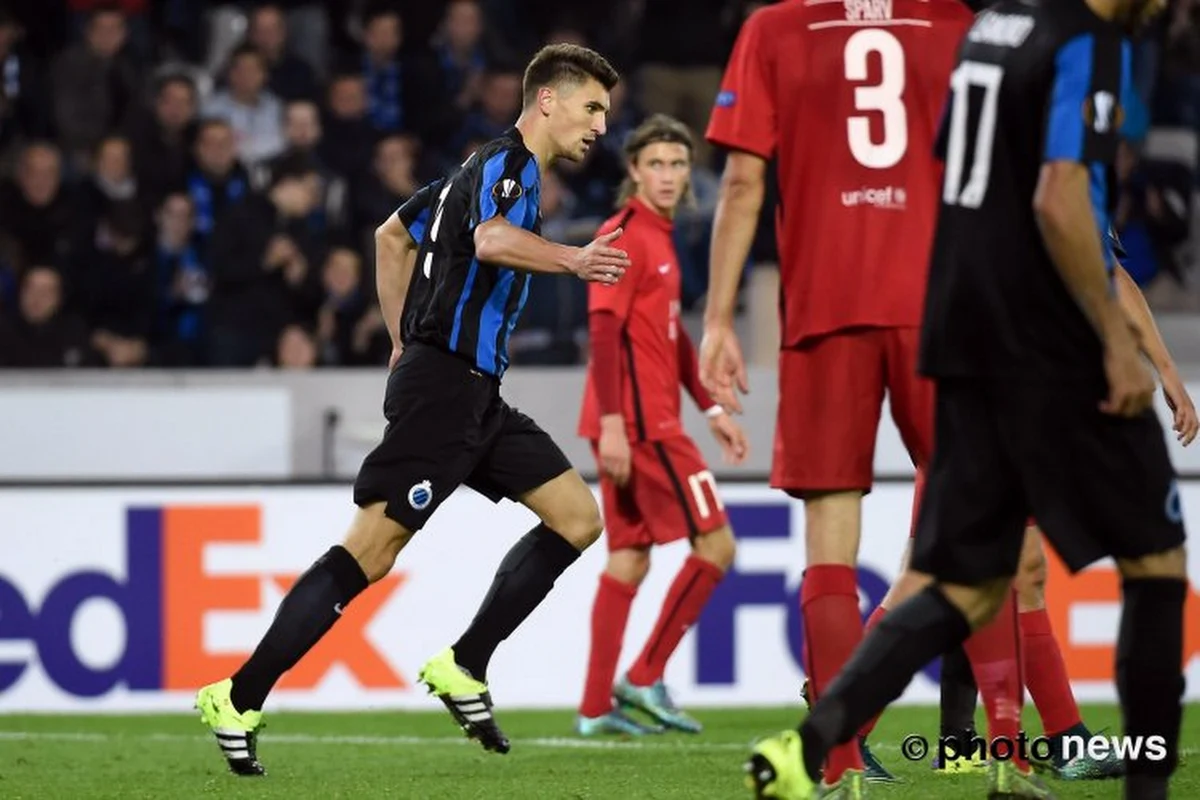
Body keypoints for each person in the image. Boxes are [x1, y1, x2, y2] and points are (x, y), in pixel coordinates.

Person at [745, 0, 1186, 797]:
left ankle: (827, 739)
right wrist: (1120, 349)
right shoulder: (1081, 45)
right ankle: (1124, 772)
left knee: (965, 573)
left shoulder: (985, 34)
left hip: (958, 329)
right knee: (1149, 564)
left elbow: (953, 171)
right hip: (1034, 344)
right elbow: (1059, 202)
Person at [193, 43, 627, 775]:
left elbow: (390, 236)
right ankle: (237, 696)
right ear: (548, 100)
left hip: (472, 391)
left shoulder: (468, 172)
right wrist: (575, 259)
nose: (599, 126)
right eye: (591, 107)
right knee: (372, 551)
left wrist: (401, 337)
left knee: (577, 517)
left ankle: (465, 662)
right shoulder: (510, 167)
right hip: (446, 389)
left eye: (605, 114)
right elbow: (490, 241)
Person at [699, 0, 976, 792]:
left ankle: (839, 762)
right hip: (939, 308)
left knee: (828, 530)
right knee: (979, 527)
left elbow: (745, 180)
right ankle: (1008, 756)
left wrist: (718, 318)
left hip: (824, 306)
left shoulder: (776, 28)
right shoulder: (953, 22)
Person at [930, 229, 1198, 781]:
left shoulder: (1026, 169)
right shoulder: (1054, 170)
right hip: (996, 391)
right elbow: (1105, 277)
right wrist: (1162, 371)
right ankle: (840, 718)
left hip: (990, 387)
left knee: (995, 570)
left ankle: (982, 739)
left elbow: (1109, 274)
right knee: (962, 572)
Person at [575, 114, 749, 737]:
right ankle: (644, 678)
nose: (670, 176)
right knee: (718, 547)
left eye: (678, 164)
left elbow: (671, 338)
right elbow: (602, 330)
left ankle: (596, 709)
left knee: (629, 559)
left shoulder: (659, 234)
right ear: (633, 171)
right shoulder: (623, 234)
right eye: (657, 164)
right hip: (641, 426)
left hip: (639, 419)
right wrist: (618, 423)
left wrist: (713, 409)